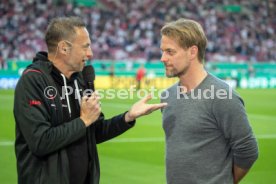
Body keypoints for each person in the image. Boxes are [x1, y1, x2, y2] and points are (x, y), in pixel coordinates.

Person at [13, 16, 167, 184]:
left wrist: (128, 117)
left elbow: (93, 132)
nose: (90, 53)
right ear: (64, 48)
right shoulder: (33, 80)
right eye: (85, 46)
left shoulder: (81, 80)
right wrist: (83, 120)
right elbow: (41, 142)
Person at [159, 18, 258, 184]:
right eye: (162, 51)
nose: (162, 58)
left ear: (192, 52)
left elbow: (248, 150)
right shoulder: (167, 96)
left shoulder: (222, 96)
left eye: (170, 52)